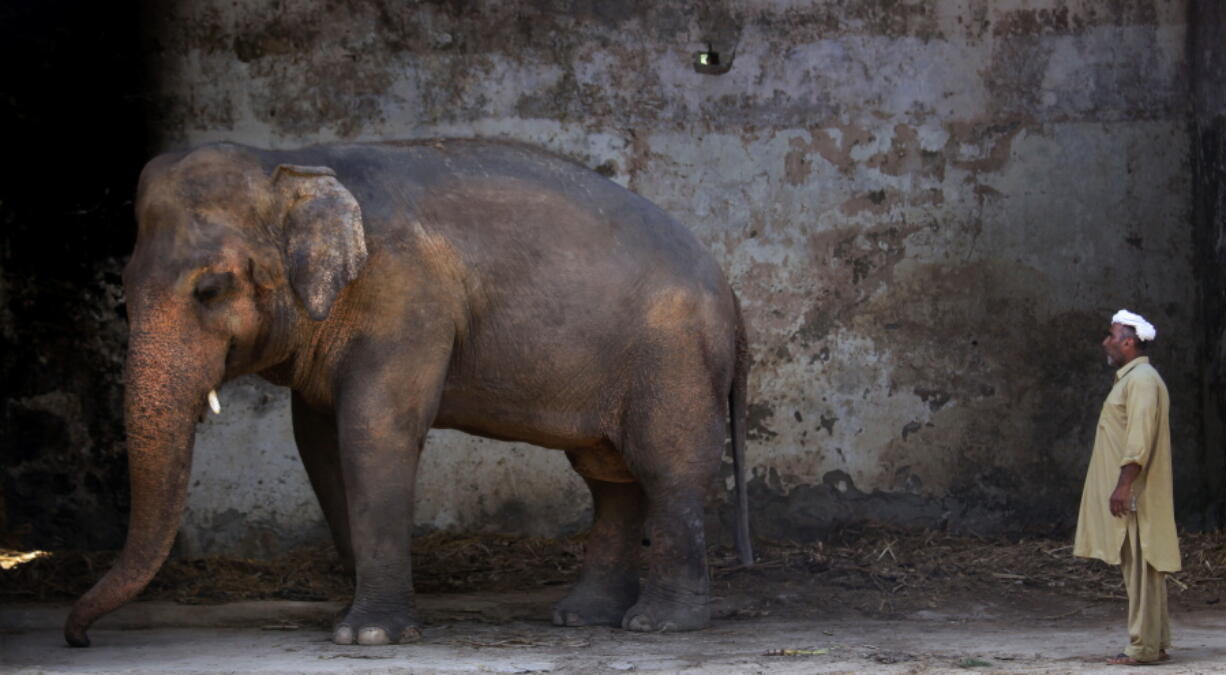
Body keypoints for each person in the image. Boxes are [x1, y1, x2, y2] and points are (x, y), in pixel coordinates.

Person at [1074, 309, 1181, 666]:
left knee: (1140, 571)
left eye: (1110, 335)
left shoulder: (1142, 380)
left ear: (1128, 341)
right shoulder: (1133, 379)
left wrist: (1124, 486)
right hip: (1135, 492)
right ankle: (1155, 642)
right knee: (1143, 571)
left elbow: (1139, 440)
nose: (1105, 341)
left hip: (1137, 495)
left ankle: (1143, 647)